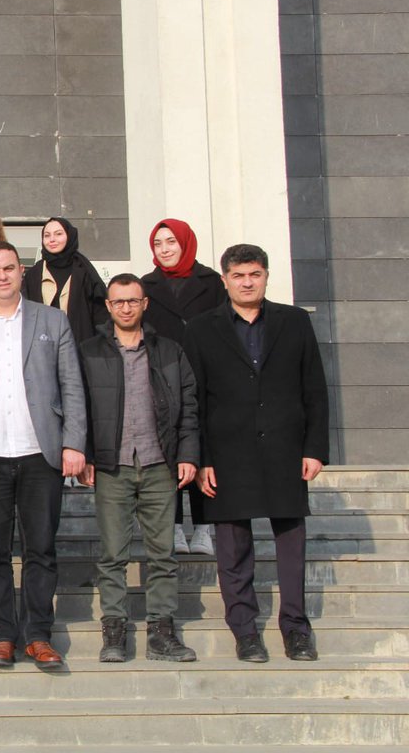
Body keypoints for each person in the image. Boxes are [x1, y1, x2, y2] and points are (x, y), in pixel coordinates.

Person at [183, 244, 329, 664]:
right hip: (226, 455)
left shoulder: (294, 322)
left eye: (255, 274)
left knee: (291, 545)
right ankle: (245, 631)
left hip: (285, 449)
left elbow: (314, 388)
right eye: (239, 275)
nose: (247, 282)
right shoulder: (201, 328)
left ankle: (296, 629)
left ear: (266, 276)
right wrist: (201, 457)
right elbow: (195, 399)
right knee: (232, 551)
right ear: (225, 279)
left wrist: (315, 448)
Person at [0, 240, 86, 671]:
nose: (2, 276)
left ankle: (39, 636)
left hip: (39, 452)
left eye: (9, 268)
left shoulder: (52, 320)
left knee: (41, 548)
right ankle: (2, 636)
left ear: (20, 271)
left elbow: (72, 386)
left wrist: (74, 442)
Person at [77, 273, 199, 664]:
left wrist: (188, 455)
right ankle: (114, 629)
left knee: (163, 553)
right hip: (111, 466)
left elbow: (190, 407)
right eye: (118, 302)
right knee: (112, 554)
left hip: (159, 462)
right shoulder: (90, 351)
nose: (126, 308)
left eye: (133, 301)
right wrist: (85, 454)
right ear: (108, 306)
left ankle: (162, 630)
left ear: (145, 304)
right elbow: (78, 406)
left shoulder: (169, 351)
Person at [141, 218, 228, 556]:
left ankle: (205, 527)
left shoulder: (211, 282)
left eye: (171, 242)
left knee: (204, 449)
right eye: (158, 244)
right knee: (167, 450)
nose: (165, 249)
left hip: (206, 373)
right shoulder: (146, 284)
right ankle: (174, 526)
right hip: (162, 376)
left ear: (185, 243)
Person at [23, 217, 109, 346]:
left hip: (80, 347)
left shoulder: (84, 271)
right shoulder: (34, 274)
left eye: (58, 234)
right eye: (47, 235)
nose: (52, 239)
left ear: (69, 236)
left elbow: (100, 313)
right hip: (41, 347)